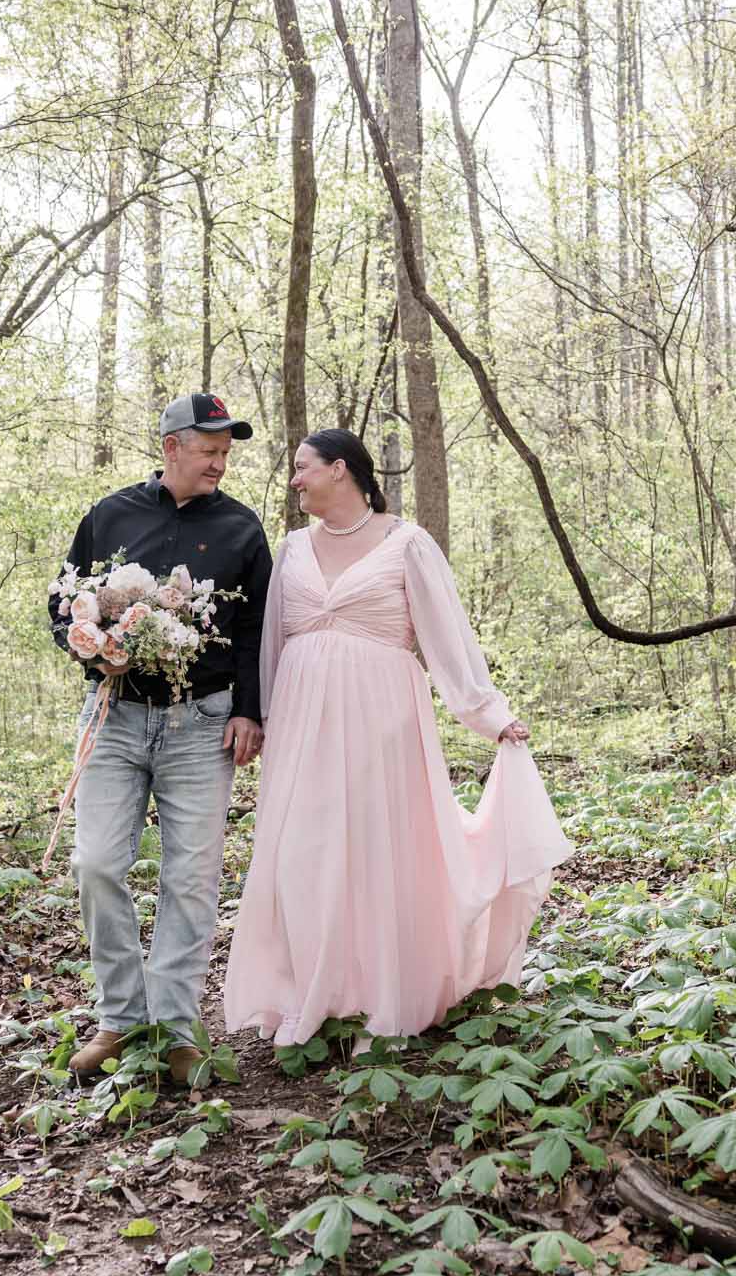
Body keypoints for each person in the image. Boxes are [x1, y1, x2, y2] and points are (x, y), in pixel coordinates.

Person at [225, 428, 572, 1048]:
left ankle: (379, 995)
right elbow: (272, 648)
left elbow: (447, 640)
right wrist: (265, 721)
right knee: (304, 854)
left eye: (303, 468)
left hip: (382, 715)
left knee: (374, 848)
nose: (295, 479)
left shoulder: (406, 543)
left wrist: (488, 713)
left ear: (340, 470)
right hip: (304, 721)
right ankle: (313, 993)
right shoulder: (293, 549)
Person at [52, 394, 272, 1083]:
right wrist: (93, 647)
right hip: (116, 717)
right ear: (172, 445)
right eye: (209, 448)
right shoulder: (110, 514)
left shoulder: (242, 528)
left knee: (191, 878)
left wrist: (250, 710)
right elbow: (64, 603)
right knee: (94, 864)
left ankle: (177, 1028)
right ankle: (120, 1018)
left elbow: (257, 631)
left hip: (203, 724)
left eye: (226, 450)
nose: (220, 461)